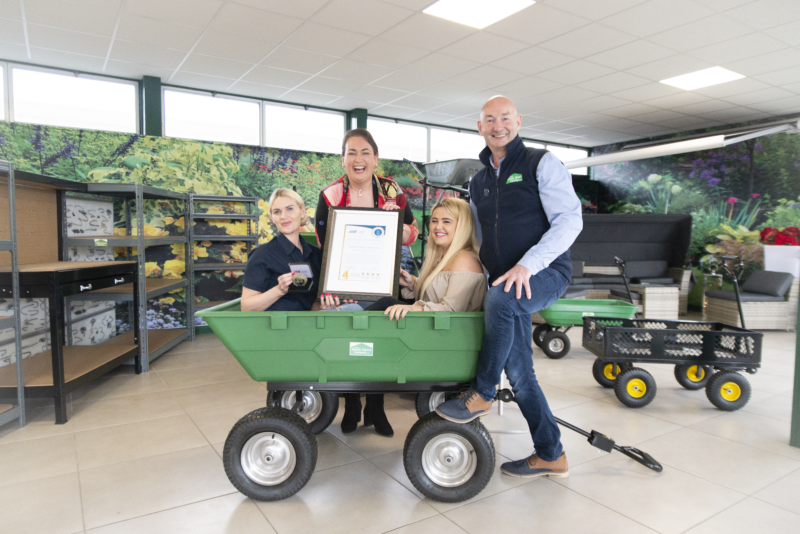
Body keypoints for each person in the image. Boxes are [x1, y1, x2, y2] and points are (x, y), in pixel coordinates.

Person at [435, 96, 583, 480]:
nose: (498, 125)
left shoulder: (540, 163)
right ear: (479, 126)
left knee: (503, 298)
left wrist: (527, 265)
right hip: (504, 284)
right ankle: (551, 453)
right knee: (520, 374)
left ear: (518, 120)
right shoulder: (479, 181)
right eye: (489, 119)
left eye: (505, 118)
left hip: (547, 271)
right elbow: (481, 240)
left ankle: (482, 393)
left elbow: (569, 221)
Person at [315, 128, 420, 437]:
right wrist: (330, 288)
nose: (358, 159)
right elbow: (325, 247)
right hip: (345, 283)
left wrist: (395, 220)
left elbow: (411, 233)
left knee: (379, 342)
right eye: (351, 153)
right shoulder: (331, 194)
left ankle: (376, 406)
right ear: (343, 159)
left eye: (365, 153)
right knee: (350, 343)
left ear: (376, 158)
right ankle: (352, 405)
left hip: (382, 282)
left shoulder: (391, 191)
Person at [365, 197, 486, 321]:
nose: (438, 226)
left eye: (446, 221)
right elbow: (437, 293)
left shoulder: (465, 261)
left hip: (448, 334)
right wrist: (413, 283)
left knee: (386, 303)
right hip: (431, 326)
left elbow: (452, 311)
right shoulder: (442, 257)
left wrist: (414, 309)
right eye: (434, 221)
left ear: (462, 226)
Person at [241, 188, 342, 313]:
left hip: (308, 327)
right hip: (276, 328)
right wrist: (279, 290)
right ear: (272, 218)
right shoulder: (262, 254)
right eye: (277, 212)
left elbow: (312, 304)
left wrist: (322, 307)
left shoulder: (316, 254)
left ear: (302, 211)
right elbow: (246, 307)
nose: (283, 216)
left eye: (290, 209)